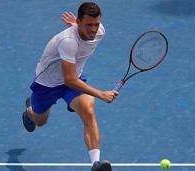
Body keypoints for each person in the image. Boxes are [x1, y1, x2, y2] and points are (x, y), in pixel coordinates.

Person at [22, 2, 118, 171]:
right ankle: (30, 111)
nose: (94, 30)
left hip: (73, 80)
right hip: (48, 84)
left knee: (88, 111)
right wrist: (101, 94)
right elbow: (69, 80)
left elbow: (72, 80)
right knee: (40, 121)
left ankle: (95, 164)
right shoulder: (68, 41)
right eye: (88, 25)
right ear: (79, 22)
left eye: (96, 24)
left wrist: (80, 28)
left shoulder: (99, 32)